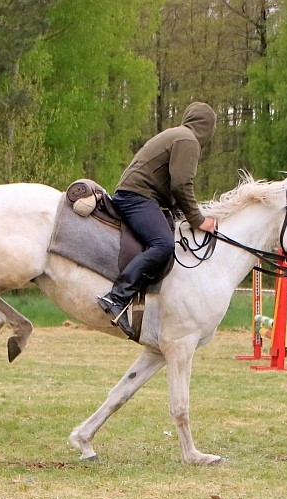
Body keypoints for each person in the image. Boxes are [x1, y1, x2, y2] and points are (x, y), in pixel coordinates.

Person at [97, 101, 218, 340]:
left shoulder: (177, 134)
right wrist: (197, 219)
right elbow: (181, 184)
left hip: (138, 194)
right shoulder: (188, 140)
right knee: (163, 245)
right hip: (138, 197)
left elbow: (168, 183)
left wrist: (178, 210)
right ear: (208, 127)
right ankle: (117, 296)